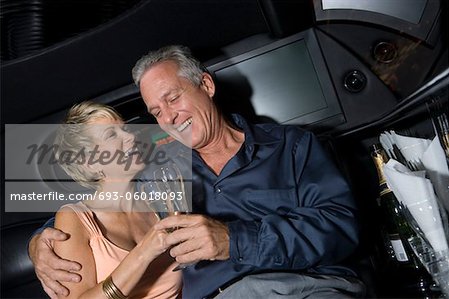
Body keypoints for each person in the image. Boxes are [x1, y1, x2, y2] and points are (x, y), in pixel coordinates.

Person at [29, 45, 365, 298]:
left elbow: (341, 225)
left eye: (173, 98)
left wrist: (233, 240)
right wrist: (40, 244)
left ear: (205, 85)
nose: (169, 118)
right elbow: (102, 209)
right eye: (156, 111)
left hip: (307, 288)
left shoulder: (291, 146)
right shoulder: (161, 168)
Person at [39, 101, 182, 298]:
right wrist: (144, 252)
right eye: (111, 135)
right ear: (89, 162)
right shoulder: (75, 217)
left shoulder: (159, 201)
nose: (131, 137)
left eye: (125, 129)